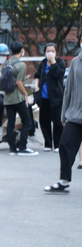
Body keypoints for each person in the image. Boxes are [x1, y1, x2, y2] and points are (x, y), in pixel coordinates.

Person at [44, 45, 82, 192]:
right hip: (75, 115)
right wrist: (64, 114)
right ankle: (64, 181)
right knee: (65, 145)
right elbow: (68, 89)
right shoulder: (75, 62)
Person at [4, 41, 37, 156]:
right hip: (18, 98)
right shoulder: (21, 65)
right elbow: (18, 82)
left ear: (12, 51)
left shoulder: (6, 63)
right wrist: (26, 94)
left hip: (7, 98)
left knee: (10, 123)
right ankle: (23, 147)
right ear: (22, 50)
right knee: (27, 122)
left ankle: (12, 149)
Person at [34, 43, 66, 152]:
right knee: (44, 120)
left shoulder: (60, 63)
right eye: (48, 51)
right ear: (44, 52)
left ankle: (57, 144)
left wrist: (53, 62)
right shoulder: (43, 64)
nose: (50, 53)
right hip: (43, 97)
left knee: (57, 121)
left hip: (56, 97)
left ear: (56, 52)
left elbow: (59, 74)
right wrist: (36, 87)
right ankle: (48, 144)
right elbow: (37, 75)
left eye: (52, 51)